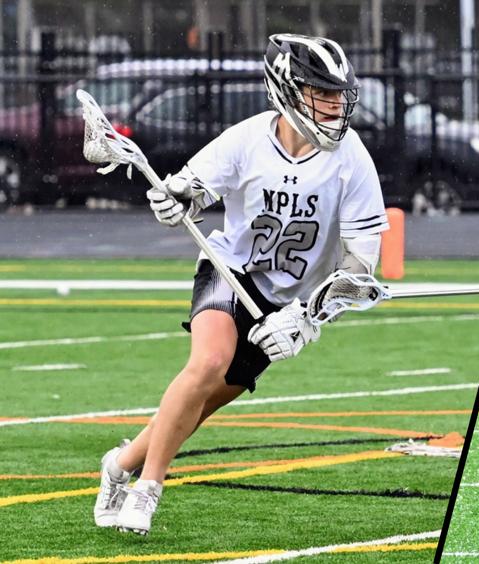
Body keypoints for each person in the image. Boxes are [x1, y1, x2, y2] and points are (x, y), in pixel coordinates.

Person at [91, 33, 388, 535]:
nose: (336, 105)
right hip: (230, 270)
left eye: (340, 93)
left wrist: (308, 316)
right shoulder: (248, 138)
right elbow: (191, 189)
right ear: (287, 89)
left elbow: (361, 265)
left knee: (202, 402)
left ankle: (120, 465)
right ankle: (147, 490)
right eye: (323, 92)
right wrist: (176, 202)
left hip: (288, 301)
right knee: (207, 363)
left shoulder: (353, 160)